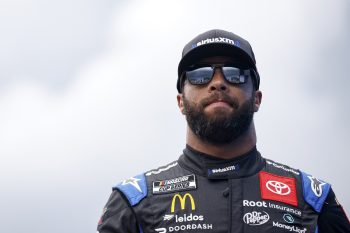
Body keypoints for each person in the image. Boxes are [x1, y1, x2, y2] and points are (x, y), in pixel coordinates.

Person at [97, 29, 350, 233]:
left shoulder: (312, 198)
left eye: (235, 73)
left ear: (257, 98)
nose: (218, 83)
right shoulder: (134, 200)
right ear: (181, 102)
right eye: (199, 74)